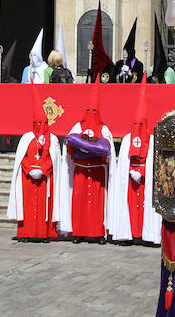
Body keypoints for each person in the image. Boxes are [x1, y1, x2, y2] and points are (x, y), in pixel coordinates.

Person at [59, 79, 116, 242]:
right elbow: (69, 144)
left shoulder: (104, 129)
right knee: (79, 202)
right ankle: (78, 232)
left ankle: (98, 233)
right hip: (80, 172)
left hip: (98, 172)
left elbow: (107, 148)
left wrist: (92, 148)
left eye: (94, 111)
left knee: (97, 203)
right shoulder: (78, 126)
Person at [109, 75, 162, 244]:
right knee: (130, 207)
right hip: (131, 180)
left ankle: (148, 235)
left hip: (145, 179)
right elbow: (123, 162)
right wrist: (132, 171)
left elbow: (155, 163)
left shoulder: (153, 140)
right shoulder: (126, 140)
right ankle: (127, 233)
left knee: (145, 206)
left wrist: (142, 171)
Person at [7, 82, 62, 241]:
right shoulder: (26, 138)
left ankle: (45, 234)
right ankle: (26, 233)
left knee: (44, 206)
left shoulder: (53, 139)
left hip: (45, 180)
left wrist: (43, 170)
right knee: (28, 206)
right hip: (28, 179)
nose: (41, 126)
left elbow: (54, 159)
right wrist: (30, 169)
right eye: (38, 123)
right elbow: (21, 158)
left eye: (44, 123)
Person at [113, 19, 144, 83]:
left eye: (126, 52)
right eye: (124, 52)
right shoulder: (119, 64)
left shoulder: (139, 65)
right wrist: (120, 75)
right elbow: (113, 79)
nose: (125, 54)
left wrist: (130, 74)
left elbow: (140, 80)